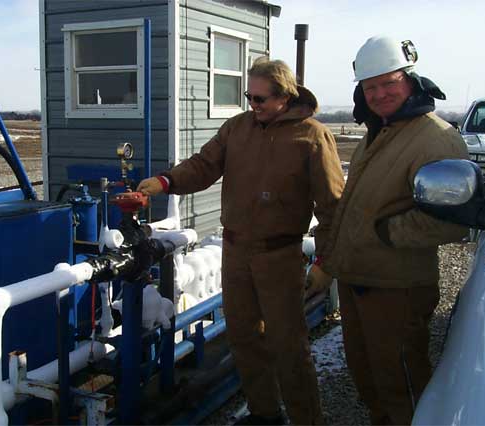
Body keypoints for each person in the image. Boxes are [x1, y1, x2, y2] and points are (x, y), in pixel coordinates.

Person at [137, 57, 344, 425]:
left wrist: (325, 262)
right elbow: (202, 166)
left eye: (260, 99)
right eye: (249, 97)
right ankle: (266, 414)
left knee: (288, 347)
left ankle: (306, 420)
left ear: (284, 96)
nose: (253, 105)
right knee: (245, 340)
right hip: (235, 252)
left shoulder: (312, 136)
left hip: (279, 255)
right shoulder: (237, 129)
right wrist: (166, 181)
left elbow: (334, 207)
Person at [314, 36, 469, 425]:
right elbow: (353, 208)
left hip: (397, 288)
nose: (380, 94)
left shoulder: (436, 138)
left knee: (401, 378)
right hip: (359, 281)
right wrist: (332, 261)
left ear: (411, 80)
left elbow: (452, 219)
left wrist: (386, 234)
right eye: (370, 87)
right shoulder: (378, 131)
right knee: (368, 376)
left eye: (389, 82)